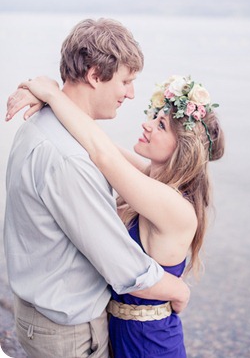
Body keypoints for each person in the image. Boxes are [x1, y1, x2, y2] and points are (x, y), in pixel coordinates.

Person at [3, 19, 191, 358]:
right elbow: (121, 265)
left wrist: (49, 93)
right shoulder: (71, 159)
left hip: (38, 313)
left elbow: (102, 149)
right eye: (126, 80)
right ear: (94, 75)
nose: (131, 93)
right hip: (69, 334)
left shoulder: (42, 125)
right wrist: (178, 290)